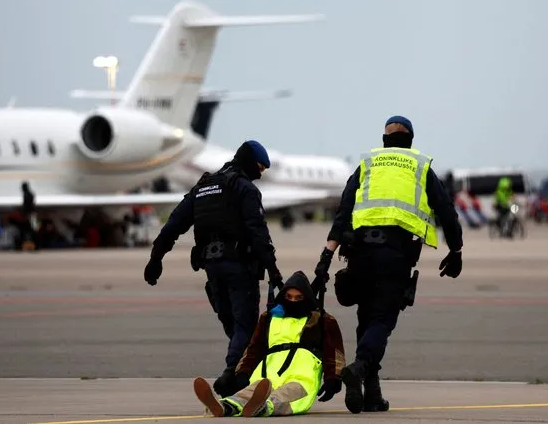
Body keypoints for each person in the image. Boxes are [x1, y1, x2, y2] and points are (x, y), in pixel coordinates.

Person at [313, 115, 464, 414]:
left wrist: (326, 257)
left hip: (360, 254)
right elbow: (446, 211)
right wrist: (455, 249)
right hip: (394, 255)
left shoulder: (368, 164)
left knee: (366, 319)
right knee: (382, 321)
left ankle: (372, 394)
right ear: (410, 139)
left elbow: (343, 211)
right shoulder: (421, 167)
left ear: (385, 138)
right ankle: (359, 368)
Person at [143, 139, 284, 397]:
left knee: (232, 324)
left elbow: (174, 224)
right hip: (240, 268)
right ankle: (232, 375)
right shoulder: (245, 189)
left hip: (212, 268)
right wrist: (274, 272)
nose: (260, 174)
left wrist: (156, 258)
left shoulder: (203, 187)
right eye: (260, 168)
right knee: (245, 325)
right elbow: (258, 233)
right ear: (250, 163)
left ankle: (242, 375)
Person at [192, 271, 345, 417]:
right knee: (247, 393)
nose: (292, 301)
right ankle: (225, 406)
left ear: (307, 298)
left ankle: (263, 407)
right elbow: (254, 348)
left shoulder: (321, 320)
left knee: (286, 395)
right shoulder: (269, 318)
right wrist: (243, 372)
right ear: (283, 296)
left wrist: (333, 378)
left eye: (298, 298)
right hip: (266, 375)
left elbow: (334, 352)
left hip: (302, 377)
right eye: (289, 297)